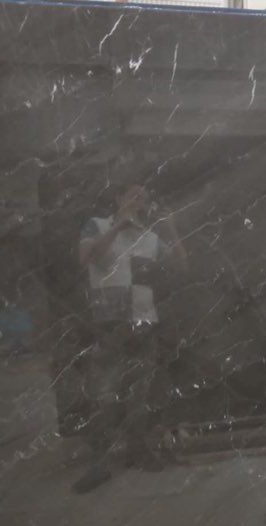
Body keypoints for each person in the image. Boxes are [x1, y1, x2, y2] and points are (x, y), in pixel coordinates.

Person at [72, 184, 186, 494]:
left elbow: (181, 266)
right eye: (133, 195)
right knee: (104, 393)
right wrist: (118, 227)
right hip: (108, 324)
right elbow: (87, 258)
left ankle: (138, 451)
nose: (140, 201)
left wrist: (171, 229)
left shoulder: (148, 237)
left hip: (142, 322)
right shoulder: (97, 225)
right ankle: (100, 463)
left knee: (139, 392)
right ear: (118, 198)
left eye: (144, 197)